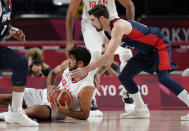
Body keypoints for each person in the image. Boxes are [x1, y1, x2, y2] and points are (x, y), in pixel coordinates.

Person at [71, 5, 189, 120]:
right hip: (146, 52)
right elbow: (109, 58)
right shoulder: (107, 32)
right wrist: (98, 73)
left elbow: (108, 55)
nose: (91, 24)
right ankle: (141, 109)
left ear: (101, 18)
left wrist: (86, 70)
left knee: (164, 78)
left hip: (159, 45)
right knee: (124, 77)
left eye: (92, 20)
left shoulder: (118, 26)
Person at [66, 0, 135, 115]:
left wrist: (130, 32)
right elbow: (70, 13)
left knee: (126, 54)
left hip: (111, 19)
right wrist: (69, 41)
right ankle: (90, 100)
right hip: (91, 22)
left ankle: (127, 94)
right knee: (94, 55)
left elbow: (129, 5)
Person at [0, 47, 95, 120]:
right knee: (10, 98)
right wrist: (49, 86)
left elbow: (85, 115)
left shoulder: (86, 87)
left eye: (72, 59)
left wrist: (66, 112)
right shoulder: (68, 65)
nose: (69, 61)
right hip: (45, 94)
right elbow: (53, 73)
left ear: (80, 63)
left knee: (32, 110)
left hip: (57, 109)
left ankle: (4, 116)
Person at [0, 0, 38, 126]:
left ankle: (16, 112)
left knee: (21, 63)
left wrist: (12, 30)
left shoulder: (8, 3)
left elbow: (4, 24)